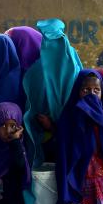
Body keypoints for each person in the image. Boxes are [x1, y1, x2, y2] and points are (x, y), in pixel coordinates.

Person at [22, 19, 81, 170]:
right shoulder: (36, 70)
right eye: (47, 41)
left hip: (70, 140)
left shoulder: (73, 65)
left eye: (56, 40)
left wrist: (54, 127)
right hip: (42, 138)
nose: (52, 46)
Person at [56, 70, 103, 204]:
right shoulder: (69, 118)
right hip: (79, 180)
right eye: (86, 90)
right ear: (77, 92)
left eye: (96, 90)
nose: (91, 95)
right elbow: (64, 156)